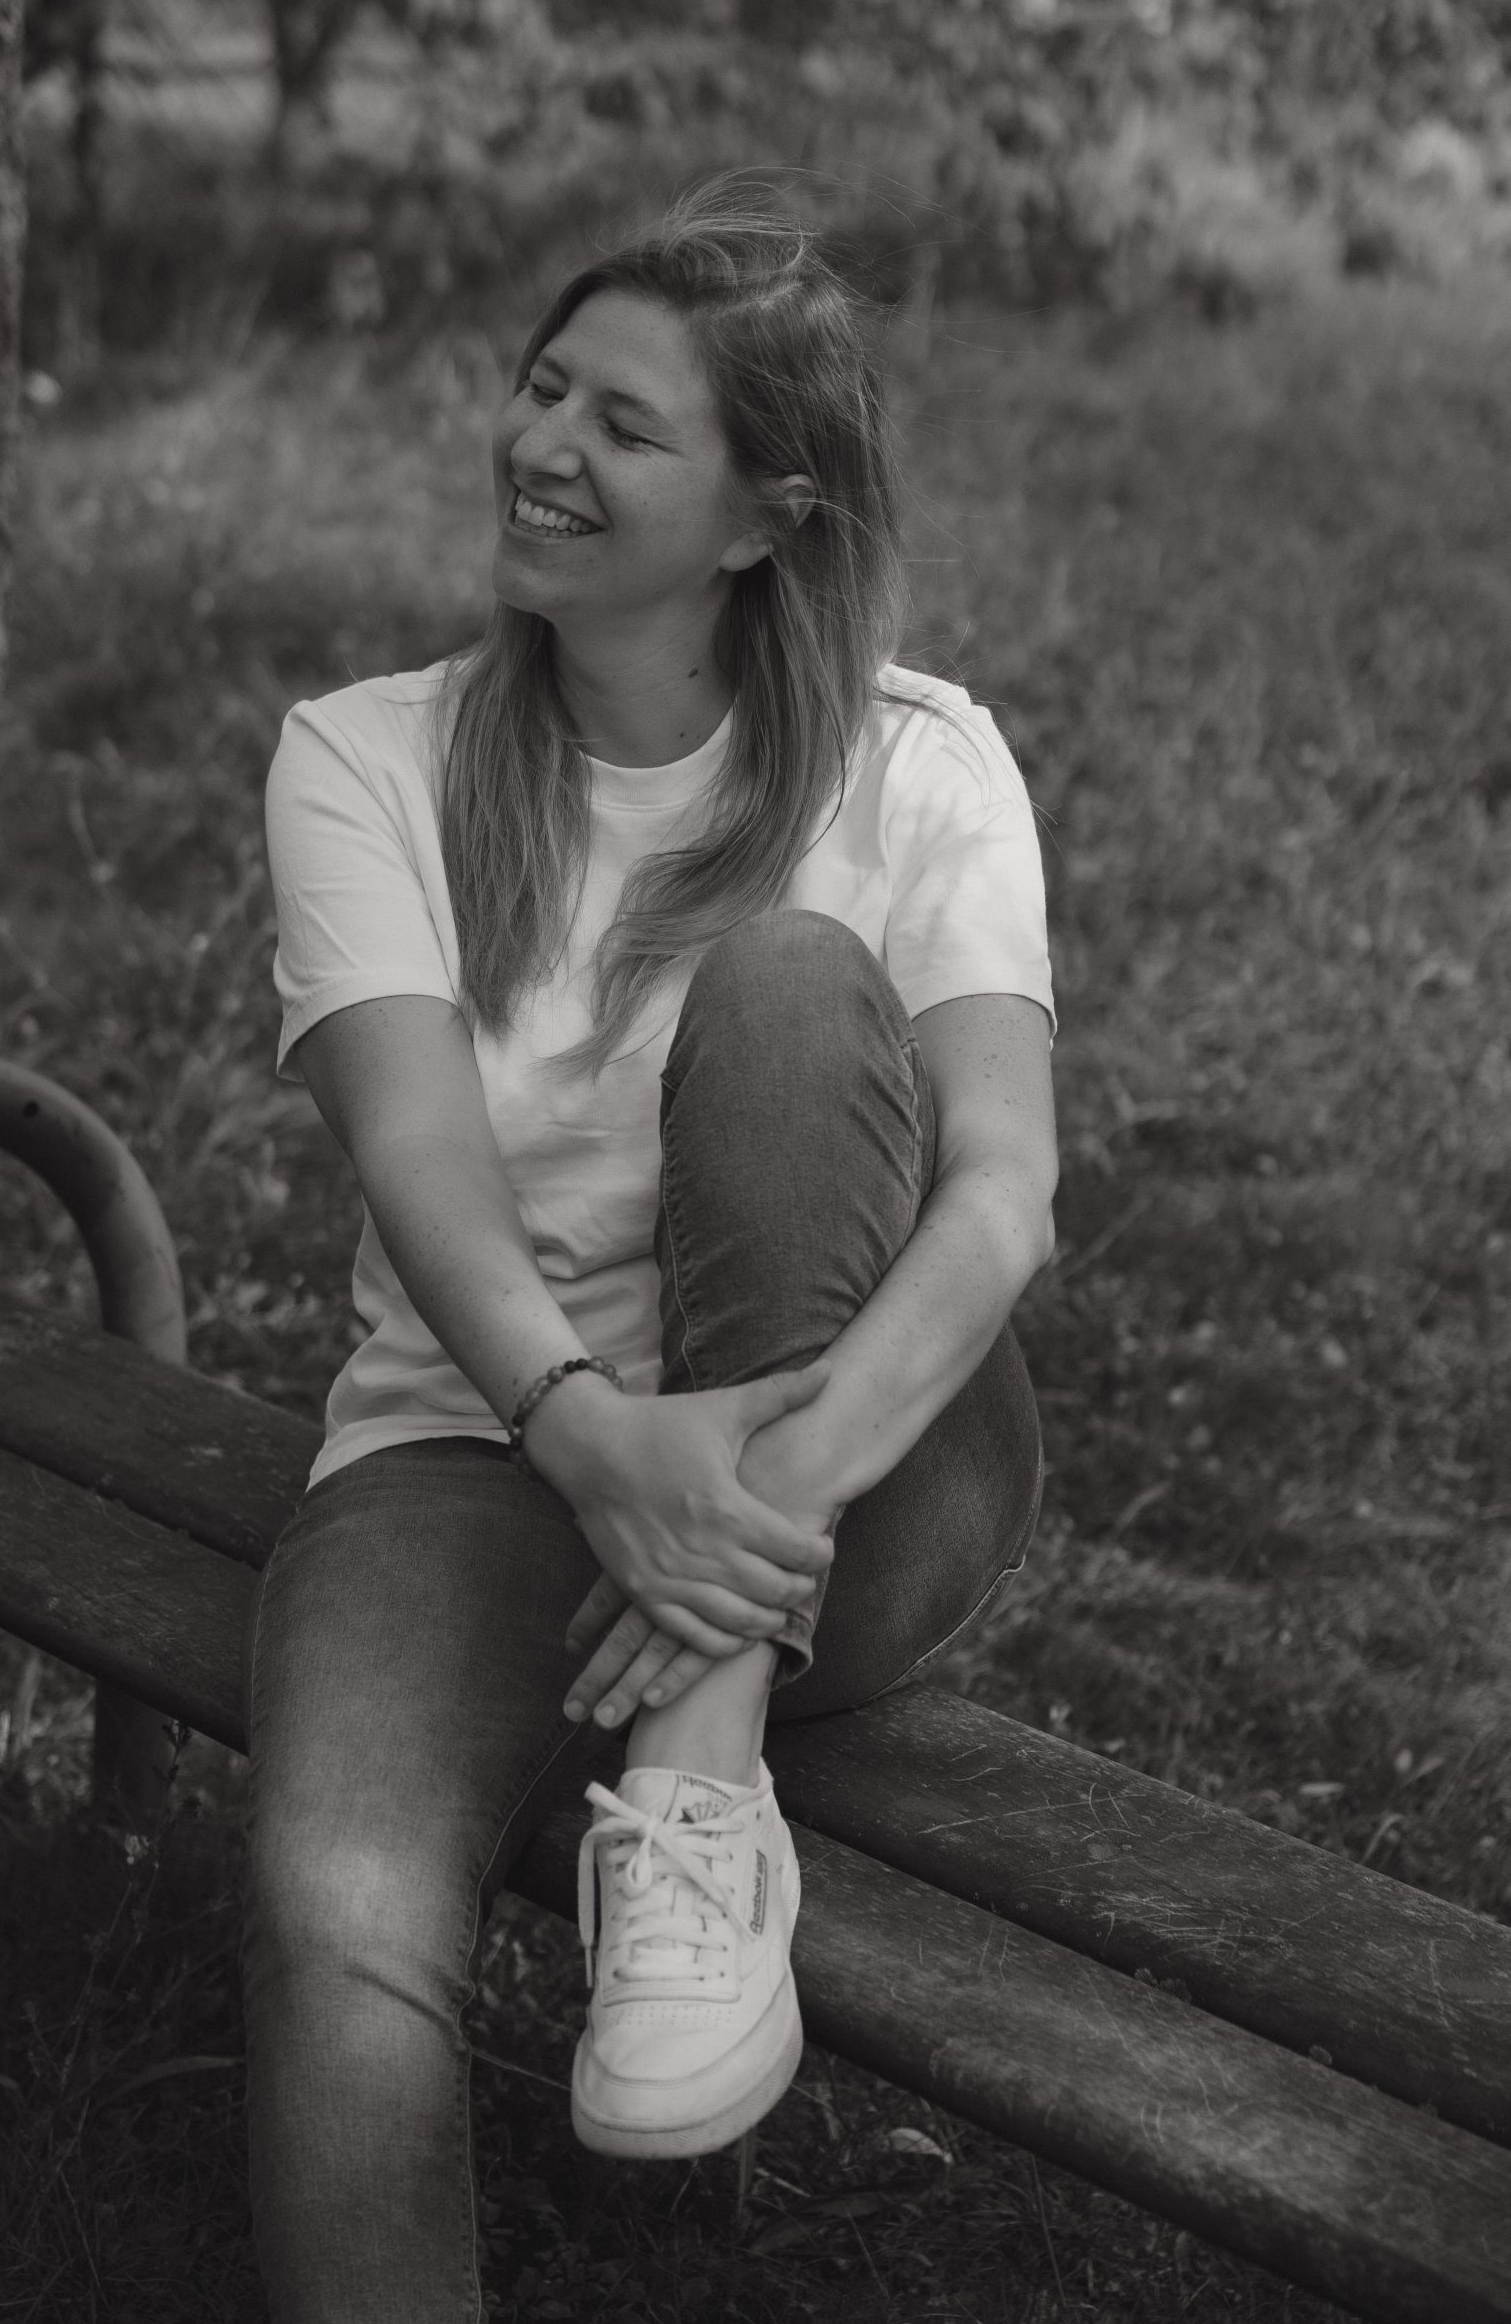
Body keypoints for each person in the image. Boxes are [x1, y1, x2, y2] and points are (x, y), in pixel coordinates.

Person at [246, 186, 1058, 2322]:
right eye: (543, 389)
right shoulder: (366, 757)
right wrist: (599, 1442)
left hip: (867, 1462)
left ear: (764, 516)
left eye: (623, 424)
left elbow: (1001, 1192)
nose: (542, 446)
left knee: (786, 979)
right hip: (479, 1441)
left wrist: (740, 1510)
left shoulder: (917, 761)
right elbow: (419, 1157)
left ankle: (696, 1781)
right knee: (335, 1911)